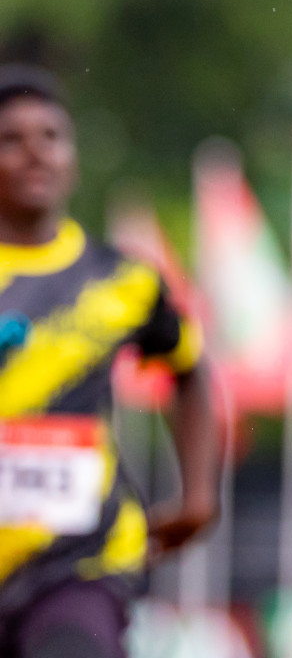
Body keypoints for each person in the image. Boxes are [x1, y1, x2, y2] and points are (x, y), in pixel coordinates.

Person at [0, 64, 222, 658]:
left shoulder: (122, 280)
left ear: (72, 156)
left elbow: (190, 370)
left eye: (50, 137)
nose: (34, 154)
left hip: (82, 561)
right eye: (11, 140)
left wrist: (199, 492)